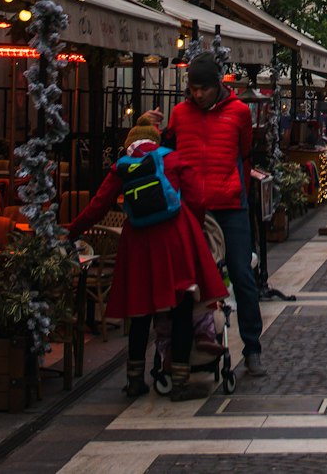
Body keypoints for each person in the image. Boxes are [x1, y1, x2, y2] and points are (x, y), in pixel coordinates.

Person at [68, 122, 225, 402]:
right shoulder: (174, 158)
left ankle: (134, 380)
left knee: (139, 311)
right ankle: (179, 382)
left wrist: (71, 231)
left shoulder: (121, 167)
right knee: (180, 306)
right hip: (175, 238)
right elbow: (198, 199)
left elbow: (97, 206)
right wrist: (195, 225)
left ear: (130, 144)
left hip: (137, 243)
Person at [164, 53, 265, 377]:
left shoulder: (239, 112)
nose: (198, 95)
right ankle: (183, 351)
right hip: (190, 209)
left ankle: (252, 348)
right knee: (186, 282)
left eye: (203, 89)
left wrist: (241, 195)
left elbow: (245, 154)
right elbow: (170, 153)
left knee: (241, 274)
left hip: (230, 205)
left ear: (217, 85)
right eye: (193, 89)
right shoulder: (179, 114)